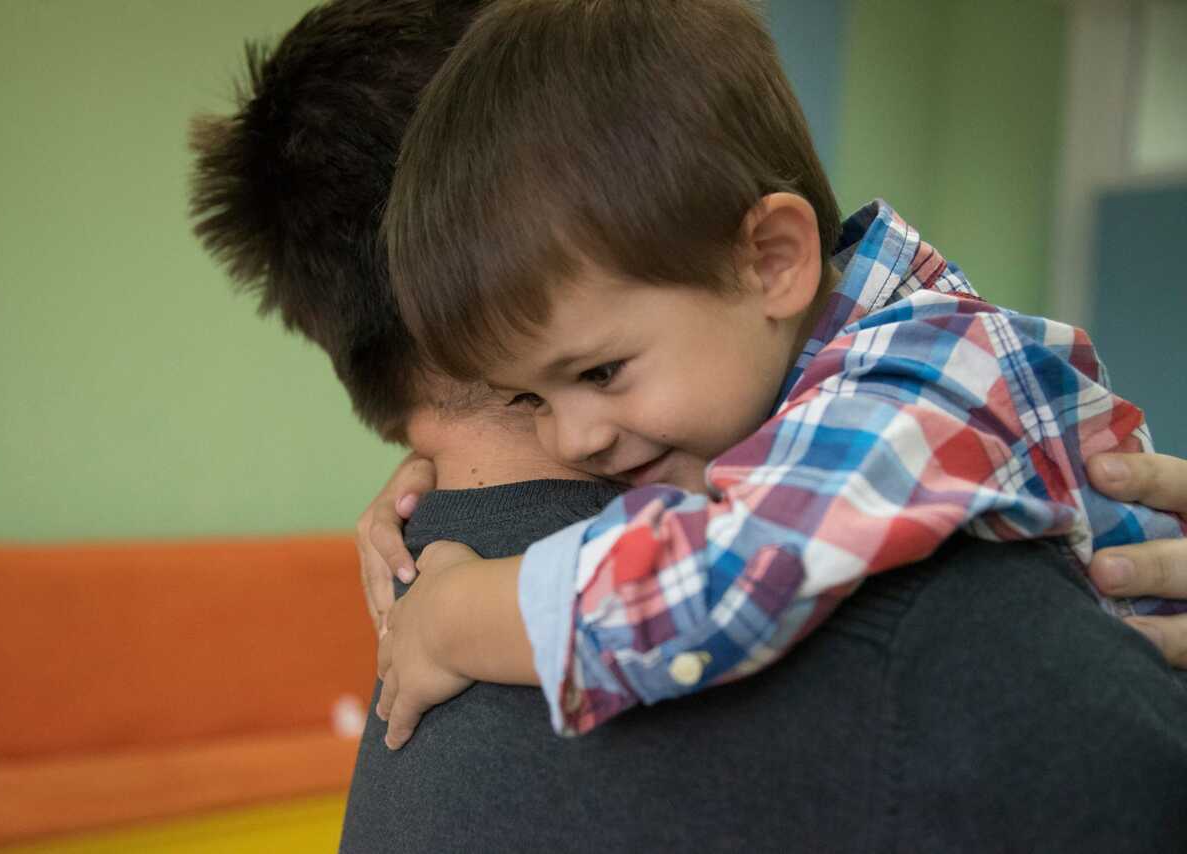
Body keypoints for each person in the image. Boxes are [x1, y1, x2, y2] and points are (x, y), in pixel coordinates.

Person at [187, 1, 1187, 849]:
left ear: (773, 259)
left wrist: (457, 614)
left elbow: (729, 570)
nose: (577, 437)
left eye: (599, 371)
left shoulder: (912, 390)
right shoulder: (947, 636)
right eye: (532, 396)